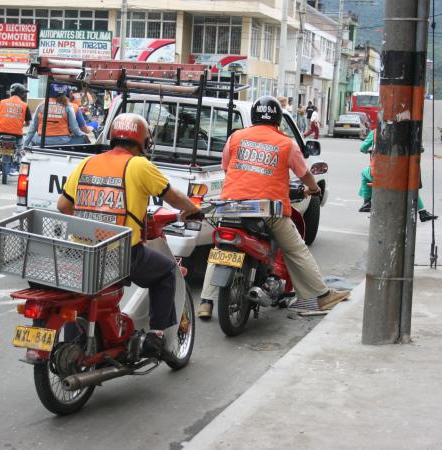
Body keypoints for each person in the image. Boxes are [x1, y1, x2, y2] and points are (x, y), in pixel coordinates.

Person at [57, 113, 201, 358]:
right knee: (167, 272)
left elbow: (63, 205)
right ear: (143, 142)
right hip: (121, 253)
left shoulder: (87, 163)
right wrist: (191, 209)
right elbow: (172, 196)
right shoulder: (139, 165)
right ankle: (155, 337)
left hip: (85, 251)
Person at [197, 96, 350, 320]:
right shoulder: (286, 143)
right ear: (278, 120)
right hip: (267, 210)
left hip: (230, 206)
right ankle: (322, 294)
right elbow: (304, 174)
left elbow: (226, 167)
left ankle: (205, 303)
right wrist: (314, 188)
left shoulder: (236, 137)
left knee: (220, 250)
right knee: (296, 249)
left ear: (254, 117)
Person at [358, 129, 437, 221]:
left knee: (364, 173)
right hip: (403, 170)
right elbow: (420, 148)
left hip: (381, 172)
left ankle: (367, 202)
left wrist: (368, 150)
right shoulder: (410, 130)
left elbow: (363, 147)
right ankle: (422, 212)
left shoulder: (376, 132)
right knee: (410, 187)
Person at [0, 83, 32, 174]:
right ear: (20, 94)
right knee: (21, 148)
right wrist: (20, 124)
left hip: (0, 133)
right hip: (17, 135)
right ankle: (19, 163)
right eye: (23, 94)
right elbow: (27, 123)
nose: (24, 95)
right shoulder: (24, 105)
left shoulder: (3, 102)